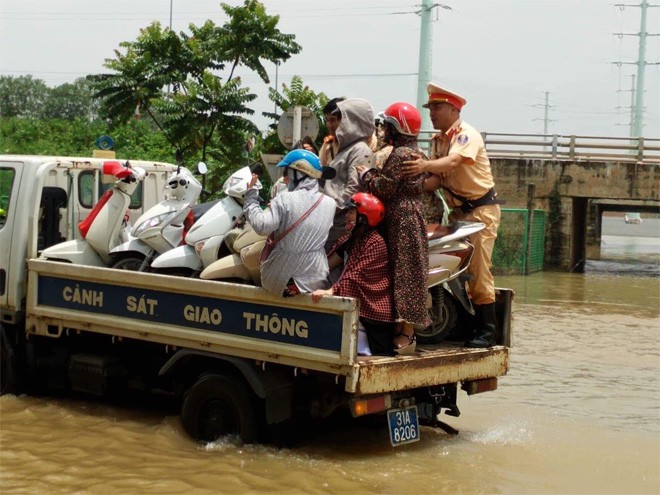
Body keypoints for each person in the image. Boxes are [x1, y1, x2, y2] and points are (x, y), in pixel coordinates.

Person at [402, 83, 502, 348]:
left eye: (437, 107)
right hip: (459, 213)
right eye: (430, 108)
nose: (432, 113)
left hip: (480, 212)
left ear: (453, 109)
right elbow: (435, 180)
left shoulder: (466, 135)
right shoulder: (440, 140)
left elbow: (454, 162)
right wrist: (407, 181)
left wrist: (423, 165)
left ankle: (488, 330)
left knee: (479, 269)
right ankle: (470, 325)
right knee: (455, 268)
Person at [357, 101, 431, 355]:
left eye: (387, 125)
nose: (384, 130)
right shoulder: (415, 152)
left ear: (397, 127)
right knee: (403, 273)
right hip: (407, 217)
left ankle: (408, 334)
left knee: (407, 275)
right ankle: (402, 330)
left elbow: (385, 188)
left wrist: (367, 175)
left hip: (403, 220)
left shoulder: (400, 155)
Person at [244, 149, 336, 297]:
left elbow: (262, 226)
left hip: (281, 280)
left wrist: (250, 198)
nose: (286, 178)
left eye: (287, 172)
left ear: (298, 173)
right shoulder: (330, 203)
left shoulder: (284, 198)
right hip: (316, 280)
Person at [311, 193, 395, 356]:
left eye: (351, 212)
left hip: (374, 311)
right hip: (358, 307)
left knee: (376, 360)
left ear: (364, 217)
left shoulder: (375, 242)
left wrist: (331, 291)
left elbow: (356, 275)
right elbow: (326, 265)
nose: (347, 216)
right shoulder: (352, 240)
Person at [321, 97, 377, 252]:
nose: (330, 125)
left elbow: (354, 189)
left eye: (336, 120)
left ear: (352, 121)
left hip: (340, 223)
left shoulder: (360, 150)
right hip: (331, 220)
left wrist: (328, 209)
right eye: (328, 120)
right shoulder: (344, 149)